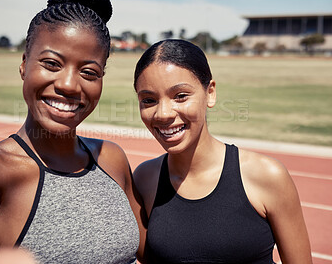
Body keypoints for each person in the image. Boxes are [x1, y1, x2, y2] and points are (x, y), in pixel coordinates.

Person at [0, 0, 147, 263]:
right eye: (51, 64)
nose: (69, 84)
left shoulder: (112, 159)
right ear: (24, 64)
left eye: (89, 72)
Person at [132, 39, 312, 264]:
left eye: (180, 96)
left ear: (210, 93)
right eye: (149, 100)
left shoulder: (267, 175)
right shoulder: (144, 179)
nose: (163, 114)